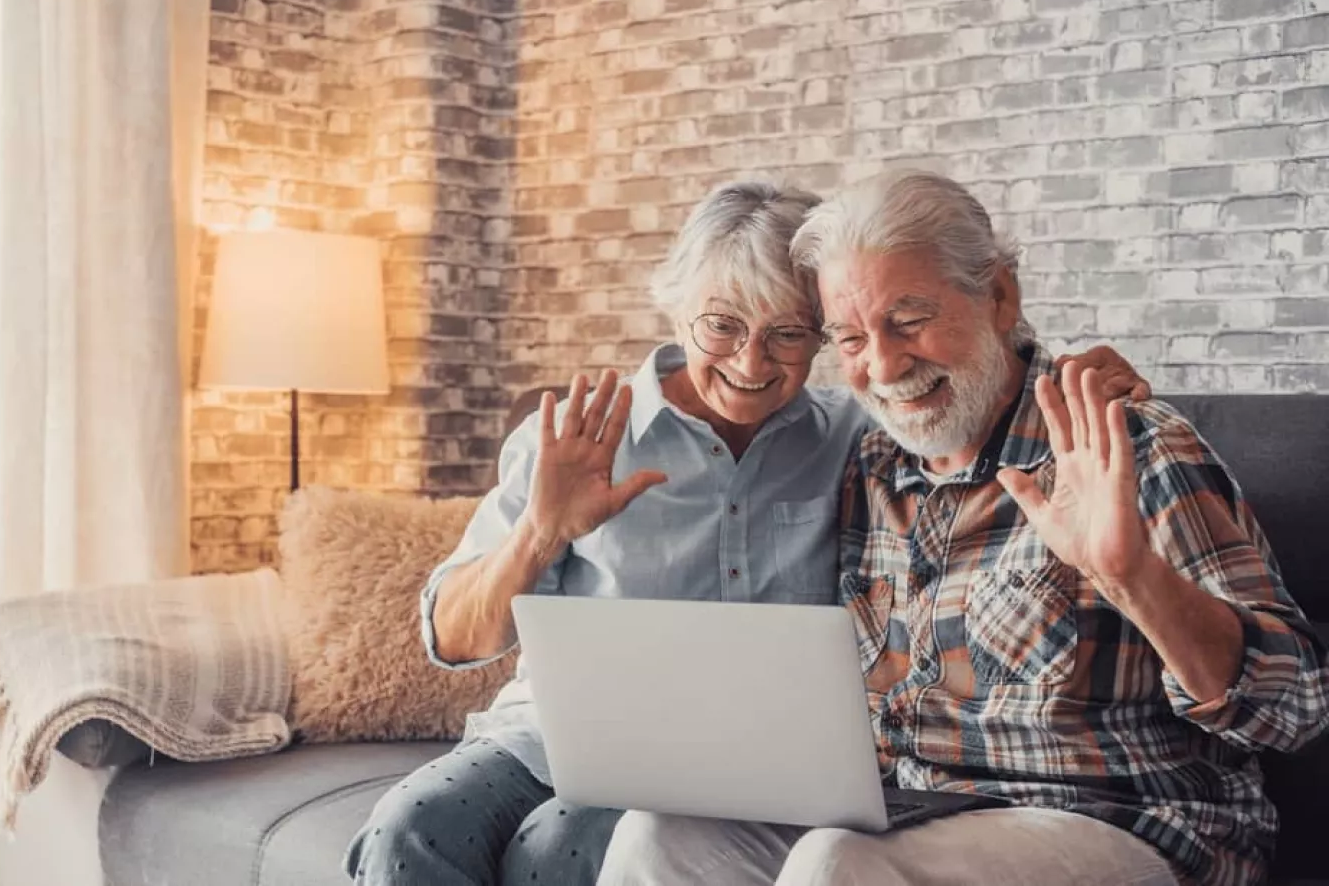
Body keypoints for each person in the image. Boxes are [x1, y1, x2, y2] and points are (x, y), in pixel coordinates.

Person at [343, 181, 1146, 886]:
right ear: (675, 309)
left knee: (560, 848)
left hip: (754, 764)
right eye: (721, 327)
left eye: (789, 334)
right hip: (551, 739)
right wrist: (541, 533)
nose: (752, 363)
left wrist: (1081, 377)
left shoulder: (857, 437)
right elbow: (454, 640)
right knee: (410, 826)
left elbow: (968, 383)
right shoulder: (579, 439)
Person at [597, 170, 1329, 886]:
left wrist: (1134, 580)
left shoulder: (1125, 445)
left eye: (909, 322)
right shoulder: (872, 464)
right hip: (916, 812)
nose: (883, 364)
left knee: (837, 865)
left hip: (1127, 823)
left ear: (1000, 296)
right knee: (661, 834)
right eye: (849, 338)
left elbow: (1295, 709)